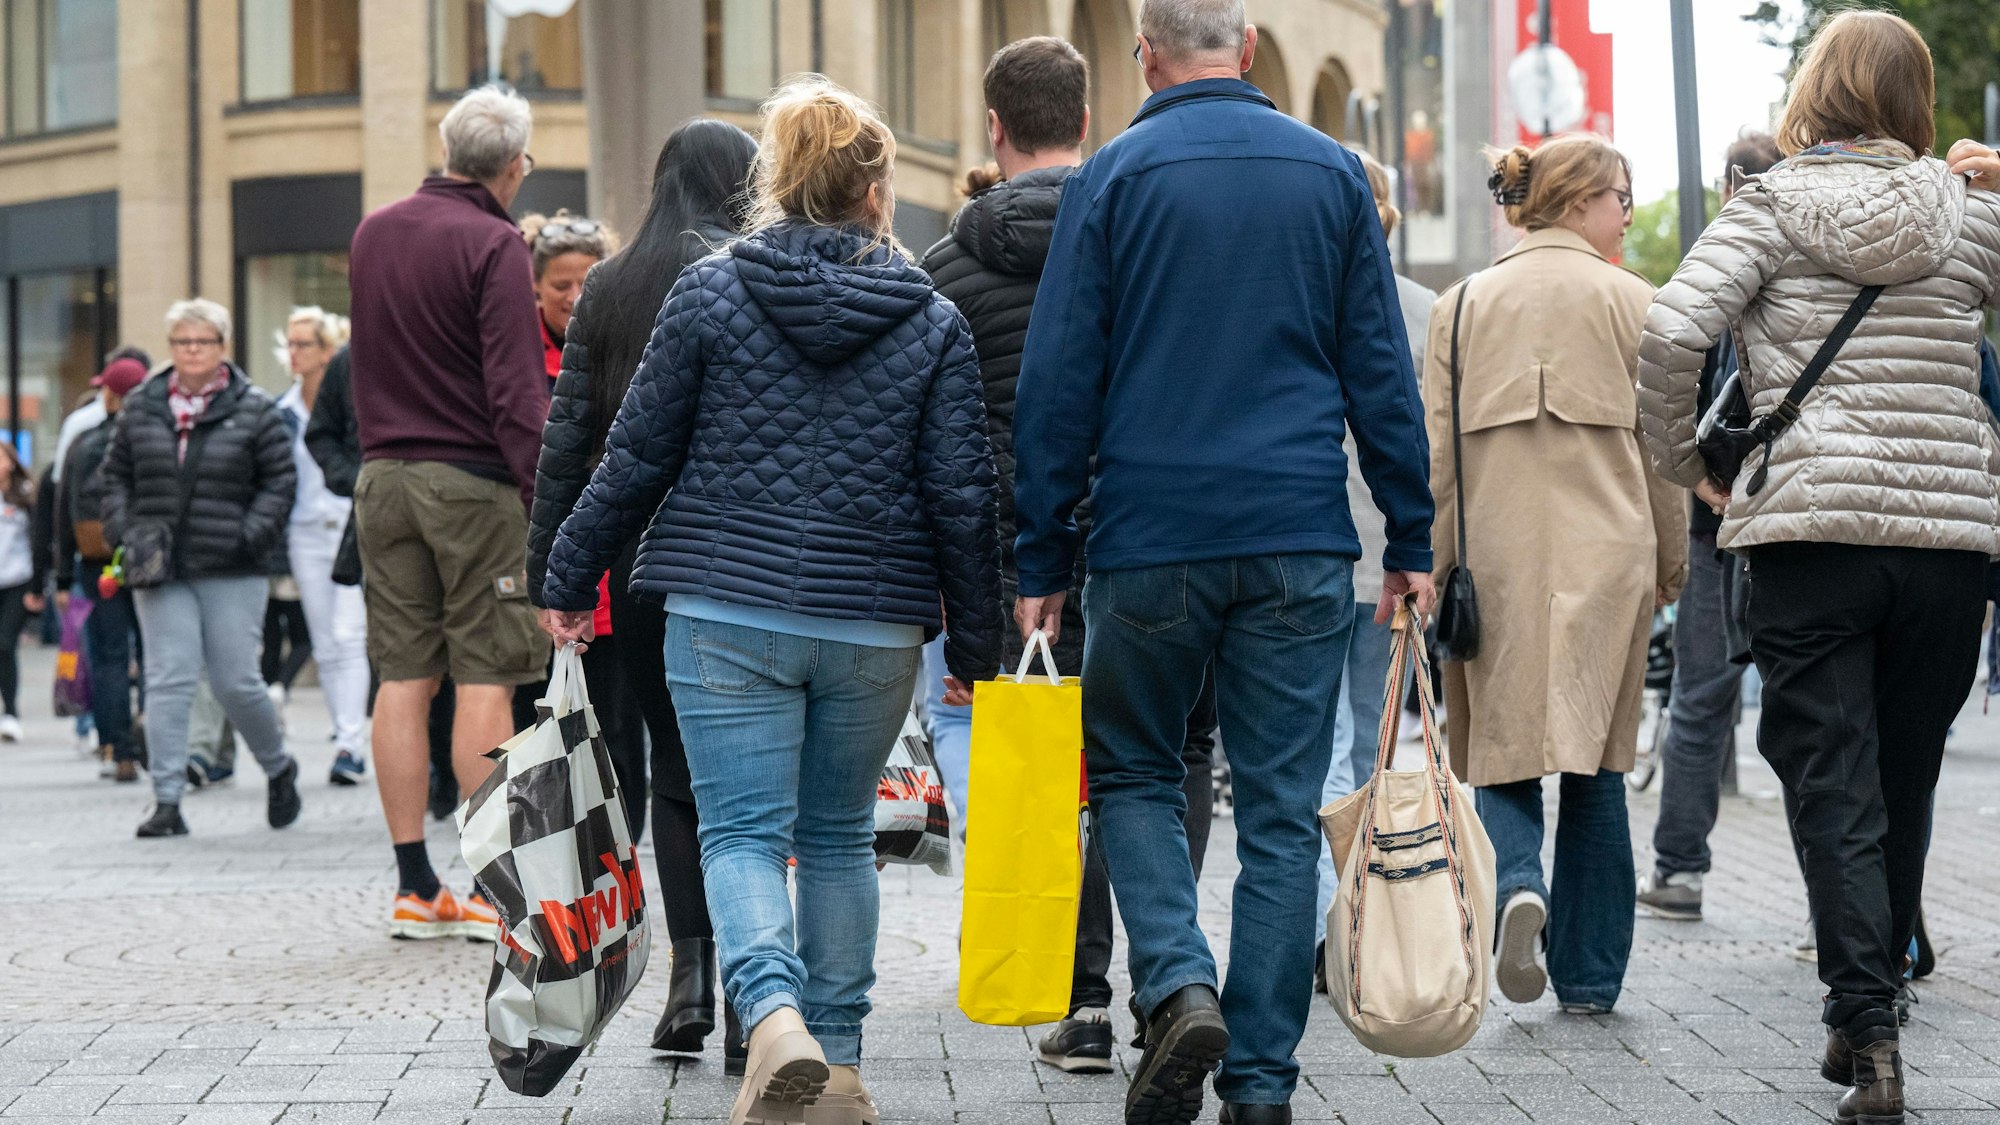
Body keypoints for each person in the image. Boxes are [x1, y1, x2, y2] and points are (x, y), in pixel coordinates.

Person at [541, 77, 1001, 1125]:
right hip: (873, 620)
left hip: (723, 608)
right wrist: (973, 644)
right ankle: (835, 1063)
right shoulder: (930, 319)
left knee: (741, 834)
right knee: (835, 838)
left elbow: (634, 457)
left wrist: (567, 577)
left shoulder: (708, 294)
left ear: (778, 180)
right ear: (874, 190)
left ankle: (774, 1016)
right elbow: (963, 496)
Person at [1011, 3, 1435, 1120]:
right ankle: (1260, 1085)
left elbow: (1057, 380)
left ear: (1144, 55)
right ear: (1247, 52)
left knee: (1136, 771)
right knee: (1282, 814)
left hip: (1149, 538)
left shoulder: (1110, 178)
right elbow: (1379, 371)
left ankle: (1176, 982)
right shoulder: (1331, 174)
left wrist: (1040, 553)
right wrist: (1409, 535)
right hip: (1298, 536)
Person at [1637, 14, 2000, 1122]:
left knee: (1831, 782)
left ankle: (1868, 1024)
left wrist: (1691, 466)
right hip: (1945, 547)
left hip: (1808, 535)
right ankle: (1870, 998)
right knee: (1902, 777)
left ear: (1814, 93)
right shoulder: (1969, 214)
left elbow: (1669, 336)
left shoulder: (1766, 208)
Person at [919, 35, 1218, 1075]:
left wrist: (954, 589)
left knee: (1058, 768)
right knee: (1176, 753)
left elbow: (934, 447)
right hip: (1151, 534)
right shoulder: (1142, 231)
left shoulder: (946, 269)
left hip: (1015, 563)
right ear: (1087, 121)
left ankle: (1076, 999)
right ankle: (1168, 981)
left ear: (993, 127)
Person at [1427, 137, 1684, 1018]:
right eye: (1621, 196)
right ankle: (1589, 977)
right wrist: (1671, 561)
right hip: (1609, 557)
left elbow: (1441, 460)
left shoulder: (1461, 306)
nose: (1627, 213)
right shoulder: (1637, 302)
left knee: (1501, 746)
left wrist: (1436, 566)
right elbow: (1665, 457)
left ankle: (1516, 885)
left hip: (1495, 557)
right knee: (1597, 759)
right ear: (1578, 201)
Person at [526, 117, 758, 1069]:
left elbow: (568, 439)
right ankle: (753, 997)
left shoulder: (610, 284)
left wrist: (554, 574)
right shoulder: (752, 271)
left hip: (634, 563)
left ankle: (689, 982)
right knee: (748, 782)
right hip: (740, 558)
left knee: (671, 773)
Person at [348, 84, 549, 941]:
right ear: (516, 167)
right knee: (485, 676)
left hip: (382, 476)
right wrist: (543, 494)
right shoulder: (495, 242)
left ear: (445, 150)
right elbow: (515, 390)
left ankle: (413, 884)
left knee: (402, 676)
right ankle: (490, 889)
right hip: (469, 483)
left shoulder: (374, 231)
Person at [1636, 130, 1782, 924]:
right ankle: (1834, 907)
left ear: (1729, 186)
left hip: (1716, 522)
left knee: (1699, 703)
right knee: (1817, 711)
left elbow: (1669, 384)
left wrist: (1695, 477)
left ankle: (1680, 870)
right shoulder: (1806, 272)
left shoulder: (1716, 274)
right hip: (1795, 520)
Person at [100, 298, 301, 839]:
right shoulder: (143, 405)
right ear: (171, 347)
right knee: (168, 678)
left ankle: (278, 766)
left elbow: (280, 482)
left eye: (203, 341)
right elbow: (115, 476)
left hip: (233, 564)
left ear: (222, 347)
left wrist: (249, 534)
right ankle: (167, 800)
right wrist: (124, 531)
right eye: (182, 342)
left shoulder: (254, 408)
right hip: (159, 564)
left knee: (237, 682)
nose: (192, 351)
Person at [1312, 146, 1437, 983]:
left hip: (1317, 545)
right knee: (1374, 742)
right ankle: (1357, 916)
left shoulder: (1302, 292)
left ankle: (1326, 918)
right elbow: (1431, 441)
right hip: (1393, 552)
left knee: (1321, 739)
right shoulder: (1426, 310)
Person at [275, 308, 371, 786]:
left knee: (349, 633)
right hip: (304, 530)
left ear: (326, 350)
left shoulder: (352, 388)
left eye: (303, 344)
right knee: (325, 642)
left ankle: (352, 744)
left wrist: (351, 482)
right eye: (290, 344)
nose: (293, 353)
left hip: (352, 521)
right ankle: (343, 734)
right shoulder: (282, 411)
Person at [54, 355, 151, 781]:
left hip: (98, 563)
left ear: (109, 394)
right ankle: (154, 736)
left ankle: (118, 749)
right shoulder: (153, 439)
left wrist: (61, 574)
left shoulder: (84, 443)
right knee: (153, 654)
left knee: (109, 657)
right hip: (148, 558)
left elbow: (61, 511)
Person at [0, 441, 43, 742]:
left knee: (5, 644)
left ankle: (11, 711)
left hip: (17, 580)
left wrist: (38, 585)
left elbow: (38, 540)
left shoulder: (25, 495)